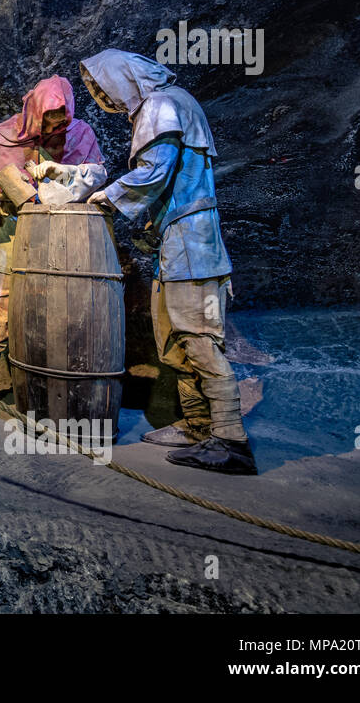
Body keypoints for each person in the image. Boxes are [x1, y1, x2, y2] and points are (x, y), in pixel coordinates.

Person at [80, 48, 256, 476]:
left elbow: (155, 172)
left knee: (199, 339)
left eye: (104, 87)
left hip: (193, 248)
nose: (104, 98)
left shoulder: (162, 105)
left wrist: (108, 197)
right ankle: (199, 427)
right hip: (174, 245)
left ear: (123, 77)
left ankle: (231, 440)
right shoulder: (172, 102)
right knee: (174, 342)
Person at [0, 76, 104, 419]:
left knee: (58, 313)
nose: (56, 123)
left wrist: (66, 172)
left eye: (62, 116)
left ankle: (53, 393)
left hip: (62, 238)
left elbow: (98, 173)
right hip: (10, 234)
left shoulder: (80, 135)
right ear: (35, 110)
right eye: (50, 116)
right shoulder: (0, 136)